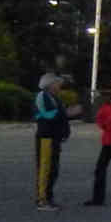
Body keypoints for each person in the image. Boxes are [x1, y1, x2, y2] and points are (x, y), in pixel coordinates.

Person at [31, 72, 72, 211]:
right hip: (45, 137)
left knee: (53, 169)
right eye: (57, 83)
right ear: (50, 85)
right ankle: (42, 200)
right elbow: (46, 115)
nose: (59, 86)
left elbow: (59, 116)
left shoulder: (54, 98)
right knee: (45, 168)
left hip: (53, 138)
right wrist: (67, 113)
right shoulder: (42, 97)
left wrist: (64, 130)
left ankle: (48, 197)